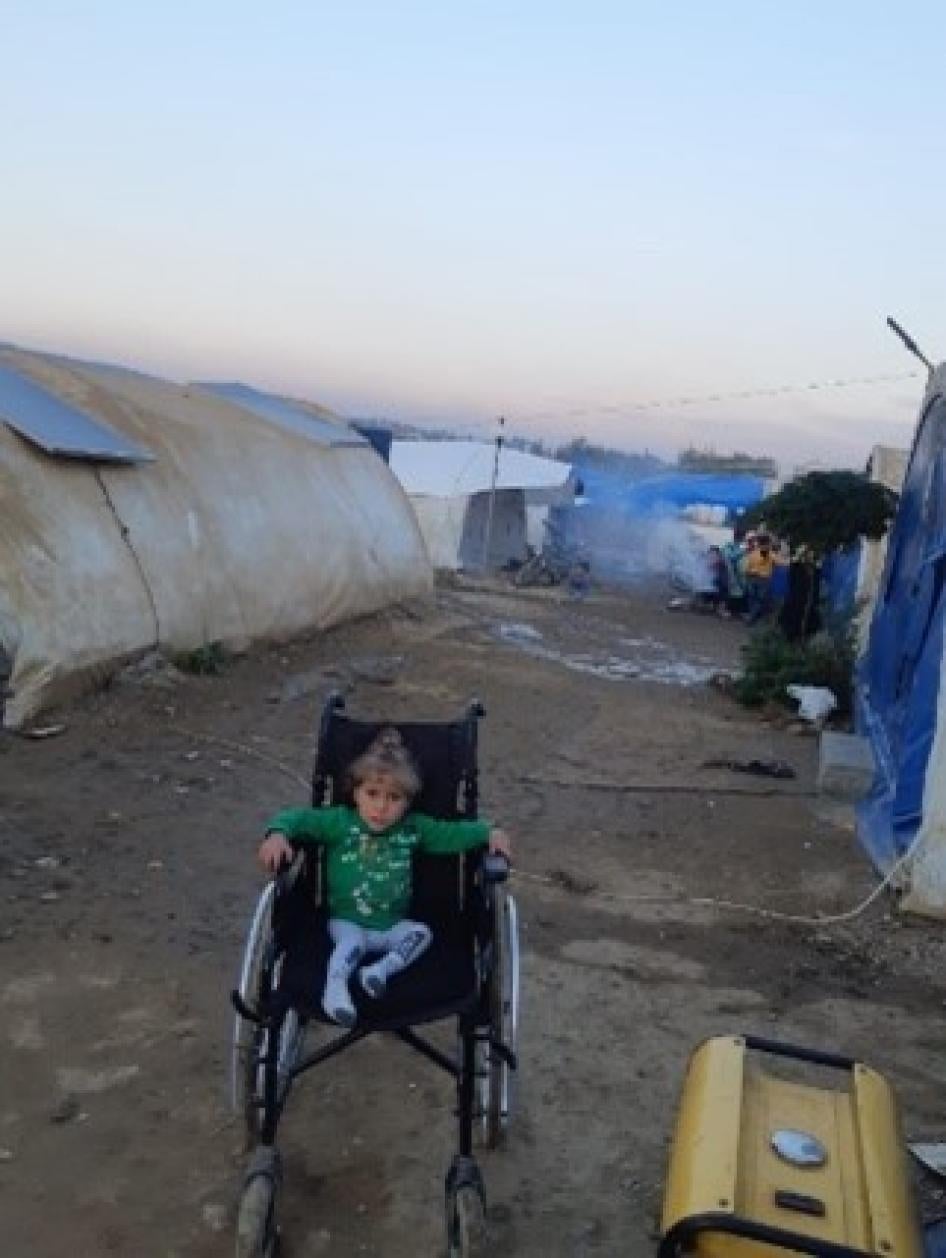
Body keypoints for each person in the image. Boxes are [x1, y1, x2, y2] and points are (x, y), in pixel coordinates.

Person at [258, 728, 512, 1026]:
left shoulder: (413, 828)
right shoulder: (338, 822)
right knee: (349, 945)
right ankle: (335, 991)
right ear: (356, 793)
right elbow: (297, 818)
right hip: (346, 922)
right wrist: (277, 834)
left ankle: (379, 971)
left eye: (394, 798)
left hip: (390, 926)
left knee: (420, 934)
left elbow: (453, 833)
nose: (381, 806)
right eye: (372, 794)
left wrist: (489, 832)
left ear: (407, 802)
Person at [742, 532, 776, 623]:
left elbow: (746, 569)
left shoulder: (753, 554)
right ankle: (752, 618)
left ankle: (751, 616)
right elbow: (781, 562)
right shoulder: (769, 554)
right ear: (767, 542)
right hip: (763, 579)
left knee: (752, 599)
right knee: (760, 600)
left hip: (752, 578)